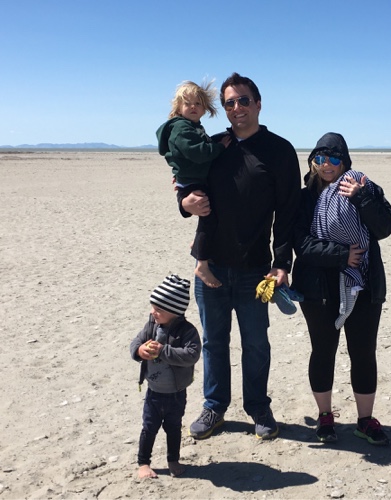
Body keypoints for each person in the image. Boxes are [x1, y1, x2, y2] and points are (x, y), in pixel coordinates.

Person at [179, 72, 301, 440]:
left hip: (255, 269)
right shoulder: (214, 147)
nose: (237, 108)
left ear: (258, 104)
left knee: (256, 343)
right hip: (210, 266)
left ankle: (258, 407)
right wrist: (184, 203)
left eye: (243, 100)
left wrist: (281, 263)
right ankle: (214, 407)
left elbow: (288, 212)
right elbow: (188, 183)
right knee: (214, 342)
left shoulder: (279, 150)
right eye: (229, 103)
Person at [292, 132, 391, 445]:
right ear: (312, 161)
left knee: (363, 352)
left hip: (363, 284)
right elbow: (300, 243)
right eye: (320, 158)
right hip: (318, 289)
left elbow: (385, 227)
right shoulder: (304, 198)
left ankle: (365, 420)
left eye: (334, 158)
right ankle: (325, 416)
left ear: (345, 162)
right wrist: (341, 255)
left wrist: (362, 198)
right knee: (323, 351)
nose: (327, 164)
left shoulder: (363, 187)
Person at [156, 81, 231, 288]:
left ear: (205, 108)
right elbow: (198, 153)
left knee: (212, 215)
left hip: (193, 179)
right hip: (192, 182)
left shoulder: (193, 127)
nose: (193, 107)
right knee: (209, 217)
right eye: (187, 103)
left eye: (198, 103)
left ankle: (198, 244)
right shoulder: (181, 128)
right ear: (178, 107)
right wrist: (219, 148)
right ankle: (202, 264)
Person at [130, 274, 201, 478]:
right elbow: (135, 343)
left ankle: (173, 460)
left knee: (173, 428)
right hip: (154, 392)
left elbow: (191, 355)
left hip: (176, 393)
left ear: (175, 311)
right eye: (153, 307)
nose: (153, 312)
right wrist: (140, 351)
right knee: (149, 428)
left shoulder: (187, 331)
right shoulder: (151, 325)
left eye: (158, 309)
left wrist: (162, 350)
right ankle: (143, 463)